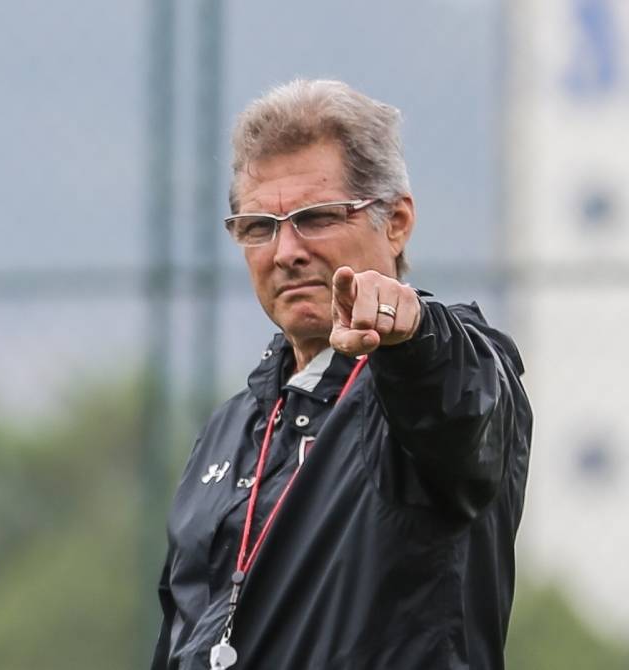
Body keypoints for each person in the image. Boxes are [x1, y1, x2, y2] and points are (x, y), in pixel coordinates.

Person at [152, 79, 532, 669]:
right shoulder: (232, 428)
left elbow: (460, 406)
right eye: (259, 226)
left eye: (317, 217)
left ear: (396, 222)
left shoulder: (431, 379)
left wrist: (412, 334)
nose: (285, 252)